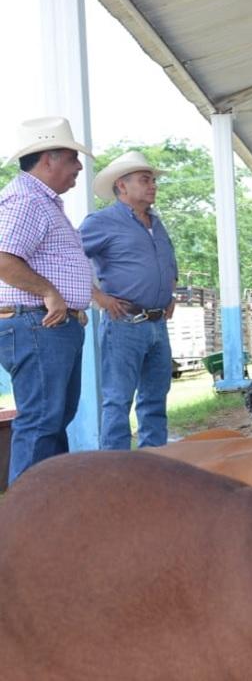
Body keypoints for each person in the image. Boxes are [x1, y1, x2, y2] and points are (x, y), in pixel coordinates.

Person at [0, 117, 94, 484]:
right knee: (42, 420)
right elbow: (4, 258)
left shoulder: (42, 201)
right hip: (36, 324)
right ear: (49, 159)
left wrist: (70, 304)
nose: (79, 167)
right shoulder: (27, 200)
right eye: (72, 158)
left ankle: (49, 509)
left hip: (47, 324)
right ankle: (22, 524)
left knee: (52, 419)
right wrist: (51, 294)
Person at [81, 151, 178, 450]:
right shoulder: (101, 222)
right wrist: (98, 297)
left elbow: (167, 263)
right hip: (123, 323)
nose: (153, 186)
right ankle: (114, 471)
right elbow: (68, 259)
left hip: (157, 323)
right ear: (121, 186)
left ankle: (153, 463)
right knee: (118, 399)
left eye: (152, 181)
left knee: (155, 398)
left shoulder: (156, 223)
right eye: (144, 180)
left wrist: (169, 293)